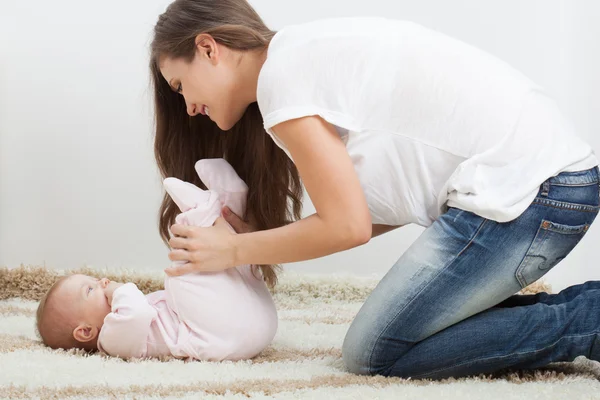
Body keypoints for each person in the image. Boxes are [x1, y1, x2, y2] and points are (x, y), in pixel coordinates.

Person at [150, 0, 600, 380]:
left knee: (376, 351)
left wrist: (233, 252)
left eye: (179, 85)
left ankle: (589, 321)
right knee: (400, 336)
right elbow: (375, 206)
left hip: (533, 194)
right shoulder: (303, 56)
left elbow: (348, 227)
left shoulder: (283, 84)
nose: (188, 107)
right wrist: (254, 243)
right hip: (553, 183)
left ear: (208, 48)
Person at [35, 158, 278, 360]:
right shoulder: (111, 342)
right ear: (85, 331)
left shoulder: (122, 325)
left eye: (95, 280)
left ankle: (232, 208)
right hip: (217, 337)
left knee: (231, 265)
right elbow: (138, 312)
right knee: (180, 276)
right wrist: (120, 289)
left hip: (251, 325)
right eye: (90, 289)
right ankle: (202, 215)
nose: (103, 282)